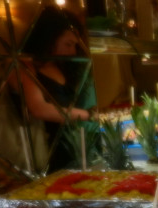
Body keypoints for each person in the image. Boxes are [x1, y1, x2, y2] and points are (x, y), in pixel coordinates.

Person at [11, 5, 96, 171]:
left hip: (71, 149)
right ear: (49, 38)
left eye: (75, 46)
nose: (72, 51)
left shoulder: (60, 66)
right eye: (68, 44)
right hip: (42, 151)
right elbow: (39, 109)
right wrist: (90, 115)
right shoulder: (22, 67)